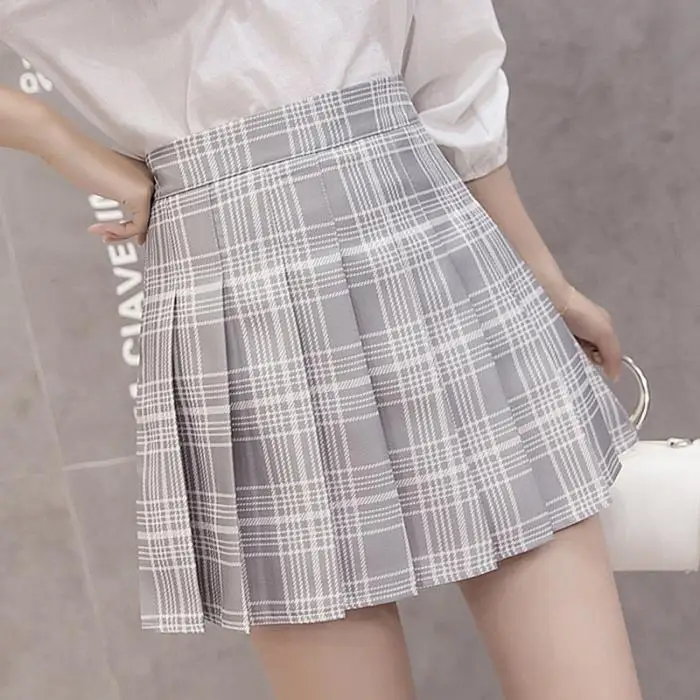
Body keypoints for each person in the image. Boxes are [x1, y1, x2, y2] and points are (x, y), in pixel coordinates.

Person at [0, 2, 645, 699]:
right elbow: (449, 64)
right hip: (276, 267)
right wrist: (52, 136)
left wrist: (545, 280)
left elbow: (447, 59)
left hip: (362, 236)